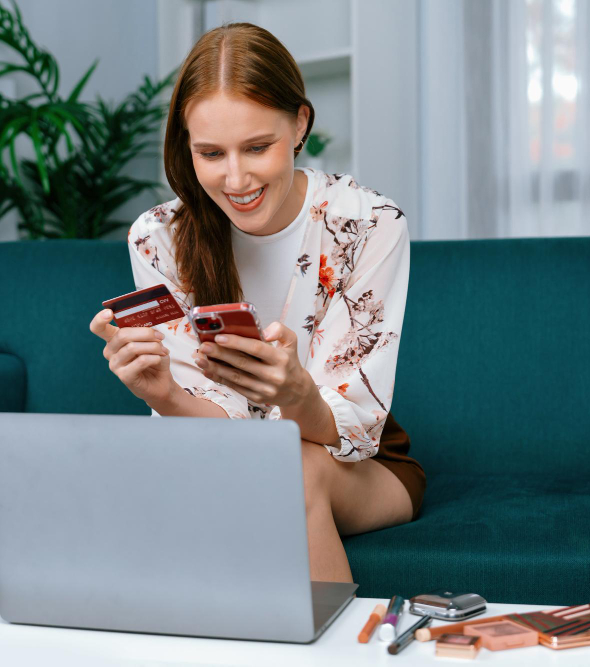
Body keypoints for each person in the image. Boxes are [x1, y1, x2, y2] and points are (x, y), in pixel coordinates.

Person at [90, 22, 425, 583]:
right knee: (139, 485)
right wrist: (165, 394)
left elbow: (357, 429)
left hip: (352, 461)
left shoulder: (368, 223)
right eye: (210, 153)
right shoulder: (158, 237)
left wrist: (297, 396)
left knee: (284, 467)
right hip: (222, 459)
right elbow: (211, 435)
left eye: (257, 147)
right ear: (185, 147)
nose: (236, 178)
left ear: (299, 124)